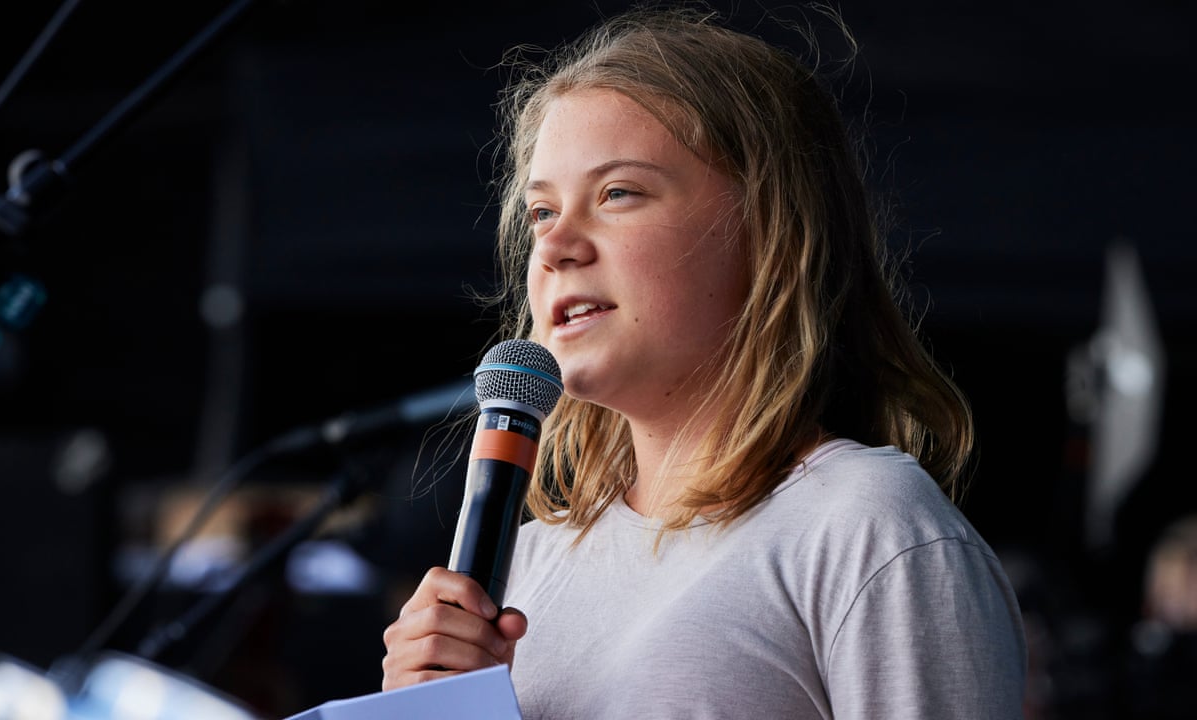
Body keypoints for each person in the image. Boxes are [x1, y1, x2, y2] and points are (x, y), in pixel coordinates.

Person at [381, 4, 1028, 717]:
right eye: (540, 211)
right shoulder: (524, 567)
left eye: (617, 193)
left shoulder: (867, 528)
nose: (556, 244)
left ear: (772, 228)